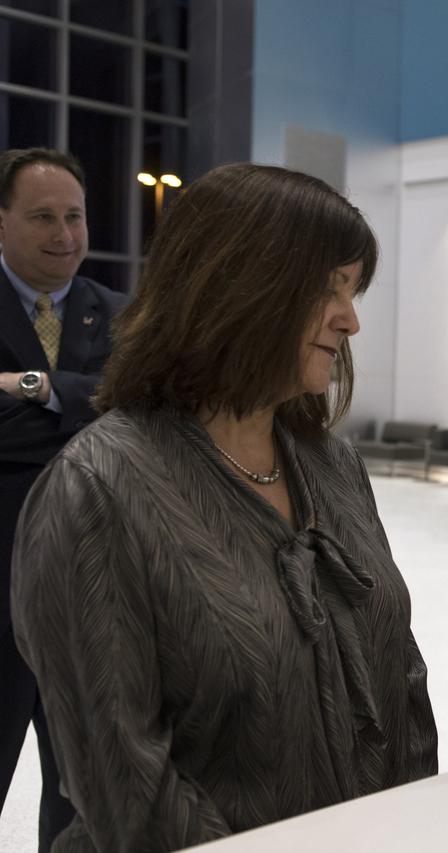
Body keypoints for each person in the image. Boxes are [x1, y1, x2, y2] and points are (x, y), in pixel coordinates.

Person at [10, 163, 438, 851]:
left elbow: (401, 677)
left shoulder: (332, 465)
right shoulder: (97, 491)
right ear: (240, 284)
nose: (351, 319)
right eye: (329, 289)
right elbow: (130, 789)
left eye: (353, 291)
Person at [0, 147, 123, 852]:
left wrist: (34, 387)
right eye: (43, 215)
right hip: (0, 588)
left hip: (92, 594)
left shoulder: (119, 314)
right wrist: (83, 408)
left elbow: (135, 409)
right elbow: (104, 412)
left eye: (73, 215)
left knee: (83, 795)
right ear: (2, 221)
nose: (64, 234)